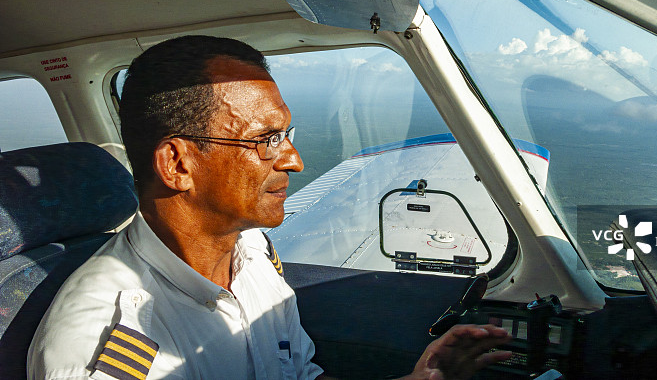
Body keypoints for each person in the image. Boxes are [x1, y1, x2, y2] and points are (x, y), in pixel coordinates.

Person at [27, 35, 511, 379]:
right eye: (265, 140)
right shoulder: (104, 342)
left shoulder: (252, 253)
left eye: (285, 135)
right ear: (177, 164)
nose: (294, 160)